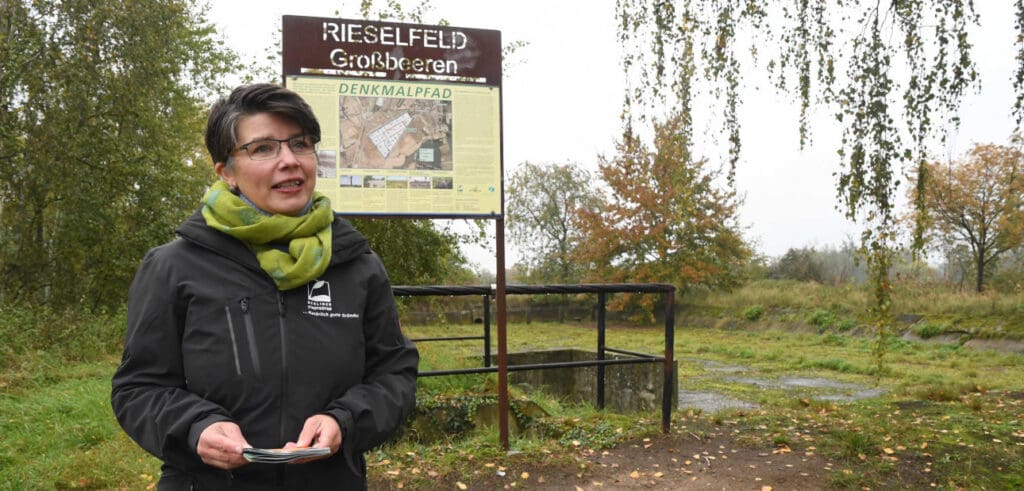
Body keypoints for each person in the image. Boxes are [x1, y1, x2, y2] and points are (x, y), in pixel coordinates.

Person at [111, 83, 419, 489]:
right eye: (262, 149)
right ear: (227, 173)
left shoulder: (356, 265)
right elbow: (139, 388)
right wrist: (195, 427)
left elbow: (394, 375)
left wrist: (344, 420)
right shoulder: (174, 266)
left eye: (300, 143)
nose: (289, 161)